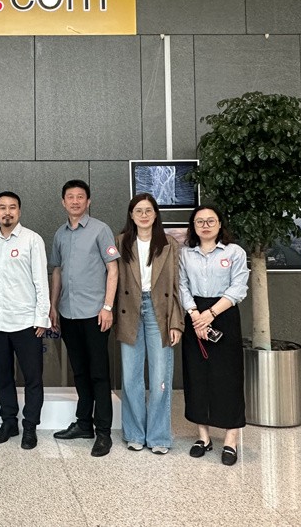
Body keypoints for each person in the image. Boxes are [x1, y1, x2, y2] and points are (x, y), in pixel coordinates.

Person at [49, 179, 120, 457]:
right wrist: (53, 306)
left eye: (80, 197)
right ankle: (83, 424)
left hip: (95, 314)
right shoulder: (60, 234)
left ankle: (103, 432)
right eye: (70, 197)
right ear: (63, 202)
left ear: (88, 201)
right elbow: (57, 271)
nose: (75, 201)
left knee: (99, 374)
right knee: (79, 372)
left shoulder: (101, 230)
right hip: (68, 313)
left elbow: (112, 269)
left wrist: (108, 307)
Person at [0, 191, 50, 450]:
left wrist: (42, 317)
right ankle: (9, 423)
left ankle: (30, 427)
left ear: (19, 211)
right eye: (2, 207)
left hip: (27, 323)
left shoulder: (32, 240)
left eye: (12, 207)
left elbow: (41, 281)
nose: (7, 212)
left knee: (32, 378)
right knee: (3, 377)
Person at [179, 205, 249, 466]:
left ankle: (231, 439)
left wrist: (210, 314)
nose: (205, 225)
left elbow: (238, 287)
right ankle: (203, 437)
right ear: (193, 226)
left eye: (211, 221)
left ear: (220, 224)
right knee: (197, 375)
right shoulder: (185, 254)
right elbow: (181, 285)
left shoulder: (234, 252)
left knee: (228, 376)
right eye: (200, 221)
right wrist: (195, 314)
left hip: (224, 314)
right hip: (194, 314)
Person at [115, 193, 183, 455]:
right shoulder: (121, 242)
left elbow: (177, 284)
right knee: (131, 377)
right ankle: (134, 433)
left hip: (160, 312)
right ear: (131, 215)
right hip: (129, 310)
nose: (144, 215)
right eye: (138, 211)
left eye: (148, 210)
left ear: (156, 214)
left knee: (159, 377)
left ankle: (158, 436)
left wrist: (176, 322)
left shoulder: (168, 243)